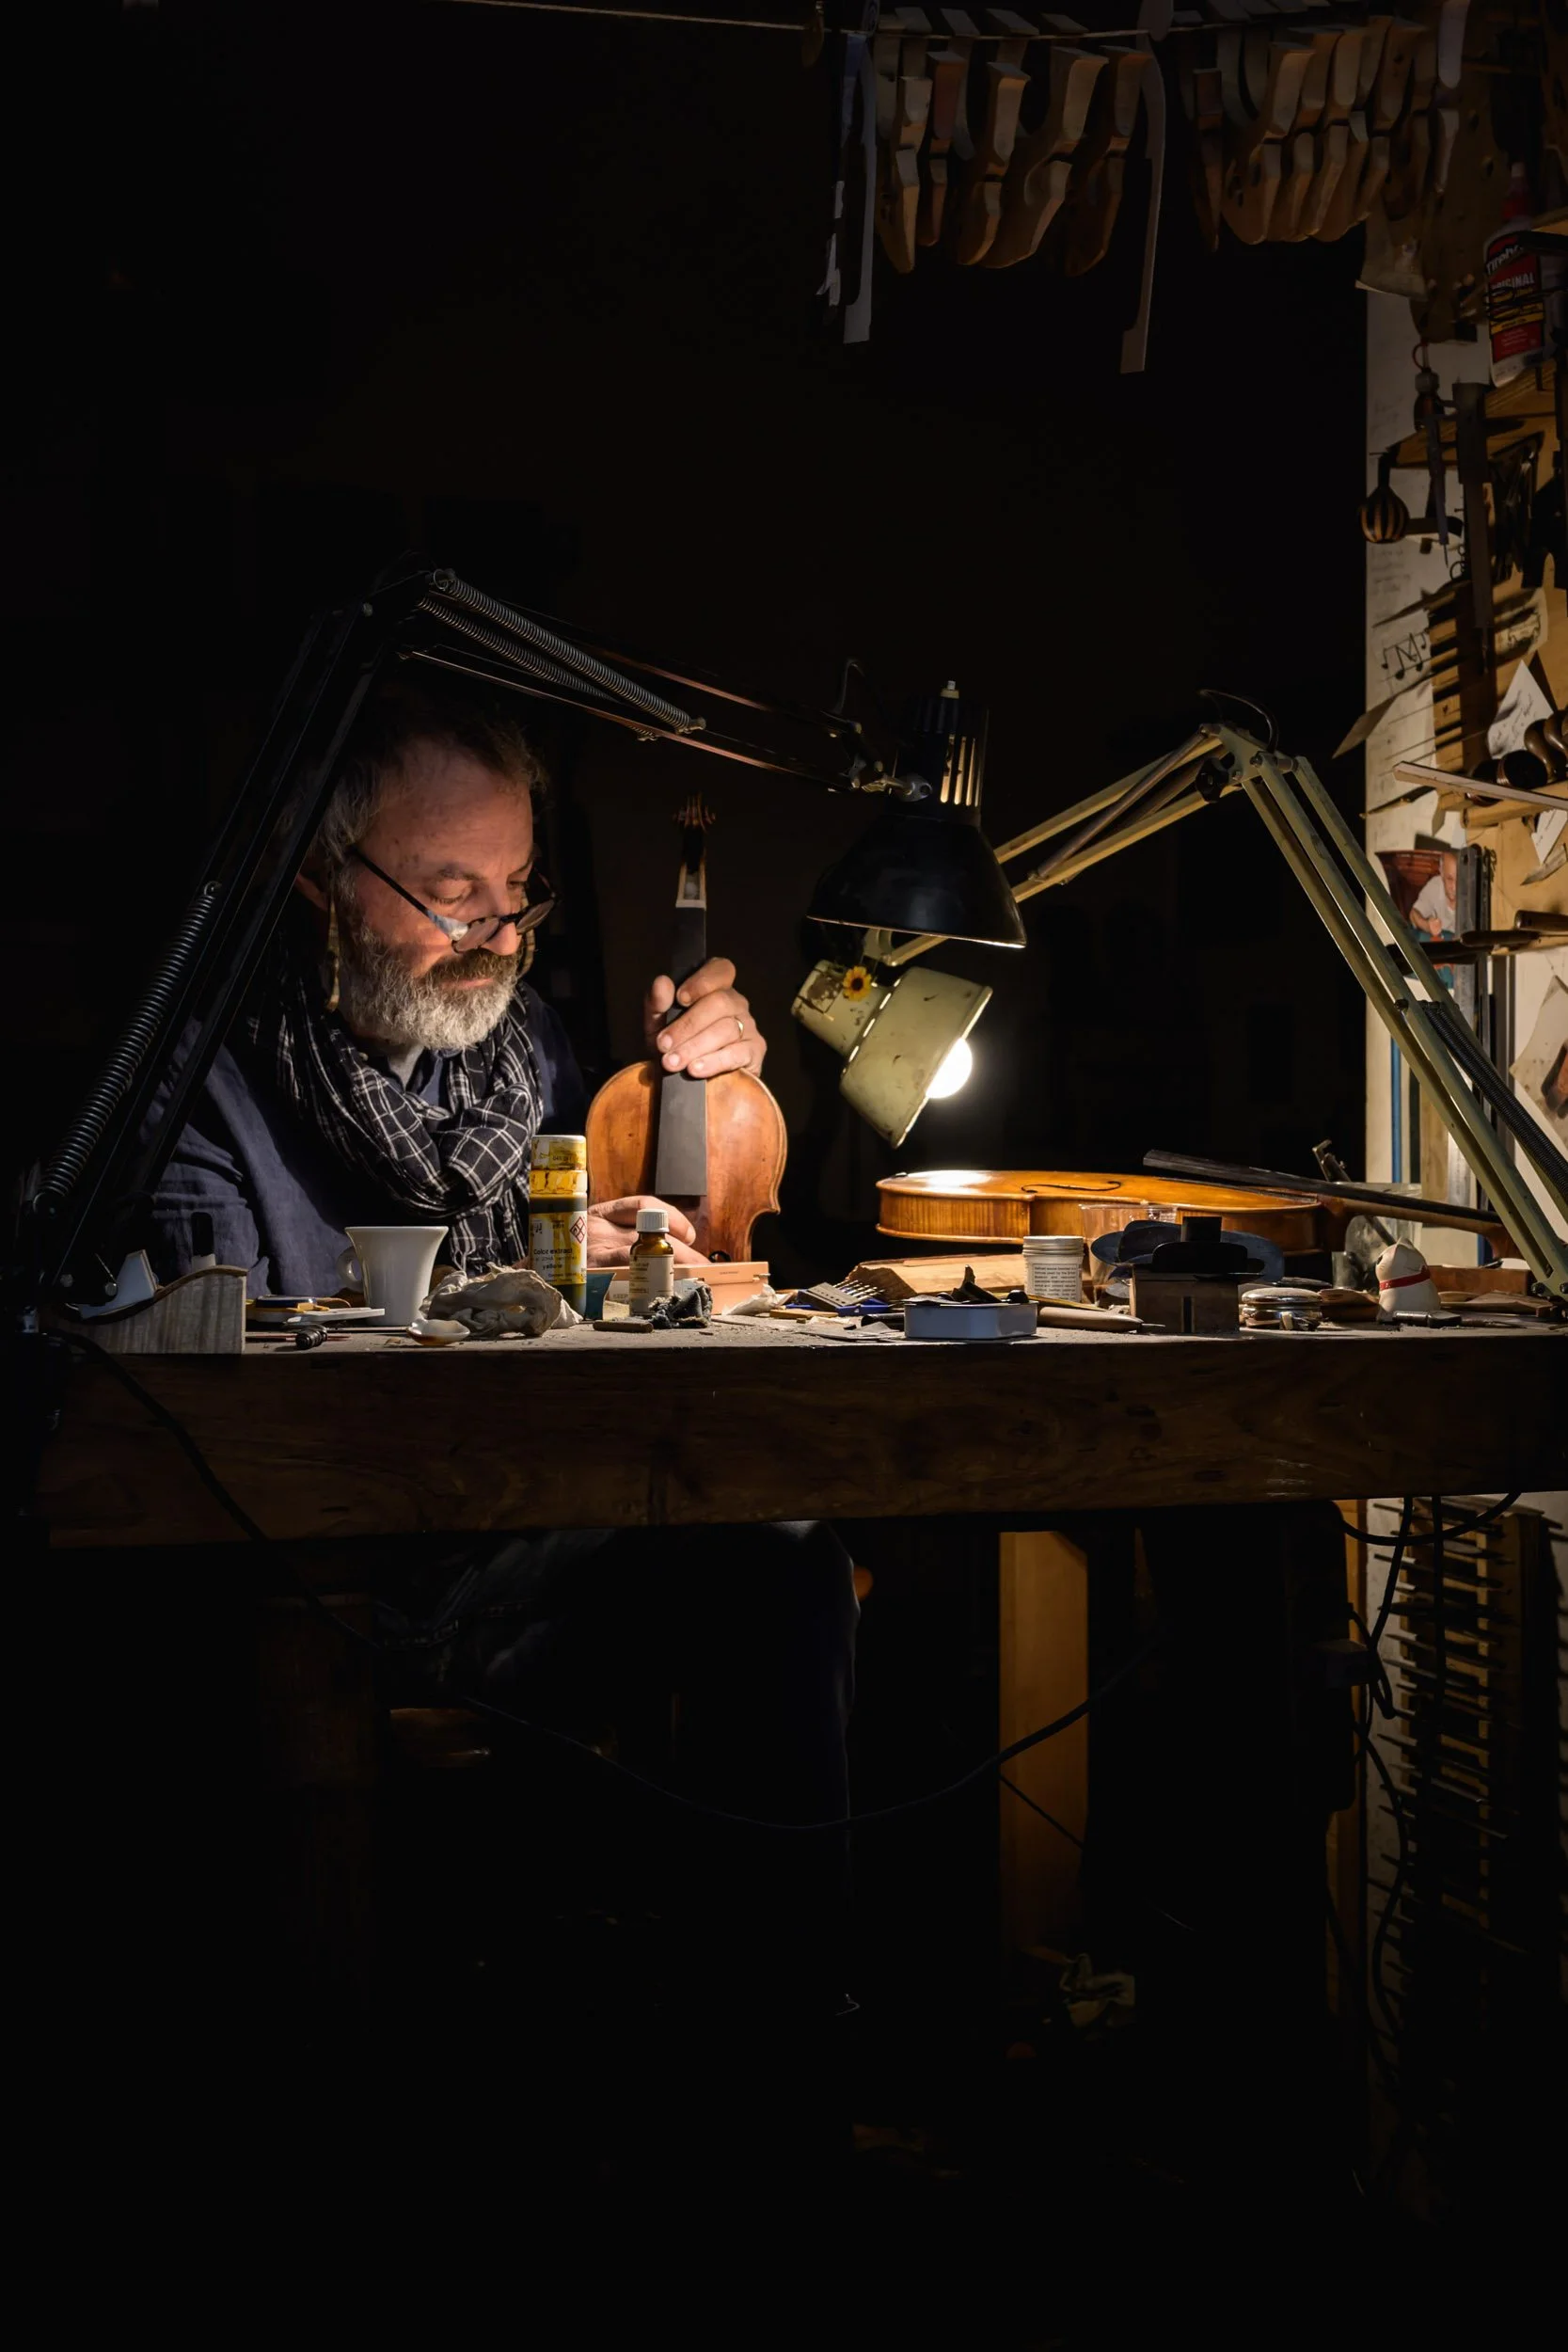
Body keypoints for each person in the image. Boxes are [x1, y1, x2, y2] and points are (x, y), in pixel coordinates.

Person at [149, 680, 858, 2019]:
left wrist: (629, 1194)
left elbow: (535, 1273)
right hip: (340, 1575)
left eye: (519, 889)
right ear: (319, 881)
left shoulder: (515, 1053)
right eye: (450, 893)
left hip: (511, 1524)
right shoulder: (200, 1086)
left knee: (784, 1553)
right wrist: (491, 1295)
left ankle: (782, 2042)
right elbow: (245, 1422)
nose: (500, 937)